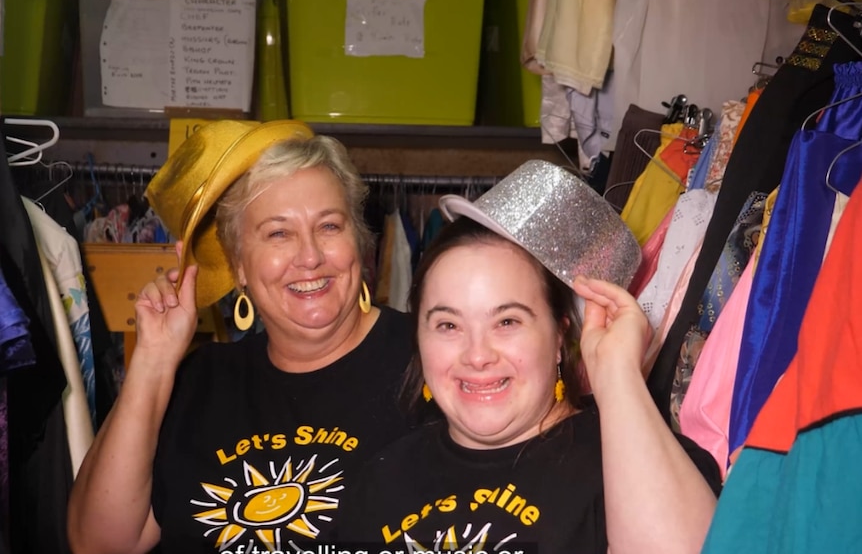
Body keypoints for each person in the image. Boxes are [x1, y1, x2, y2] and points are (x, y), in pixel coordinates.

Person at [338, 161, 722, 554]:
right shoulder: (380, 481)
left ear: (560, 335)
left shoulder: (631, 457)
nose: (477, 355)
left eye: (507, 321)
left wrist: (617, 374)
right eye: (448, 325)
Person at [67, 120, 415, 553]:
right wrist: (154, 363)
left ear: (358, 241)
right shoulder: (197, 382)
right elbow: (99, 545)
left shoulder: (430, 360)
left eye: (329, 226)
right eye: (278, 233)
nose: (310, 256)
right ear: (239, 267)